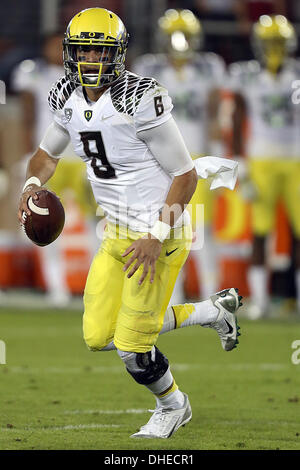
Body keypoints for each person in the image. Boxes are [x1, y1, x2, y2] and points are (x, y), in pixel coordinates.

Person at [18, 7, 242, 439]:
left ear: (117, 55)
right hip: (116, 231)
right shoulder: (67, 96)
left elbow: (185, 174)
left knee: (133, 346)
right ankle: (214, 311)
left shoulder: (139, 99)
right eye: (83, 50)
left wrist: (156, 237)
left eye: (100, 52)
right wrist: (31, 183)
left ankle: (173, 405)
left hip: (162, 229)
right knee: (98, 334)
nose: (90, 60)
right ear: (70, 52)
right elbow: (47, 155)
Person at [133, 9, 226, 303]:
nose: (180, 42)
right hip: (159, 159)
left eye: (185, 36)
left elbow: (213, 113)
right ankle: (173, 295)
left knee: (202, 228)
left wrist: (218, 151)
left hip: (196, 157)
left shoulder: (209, 68)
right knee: (165, 225)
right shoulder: (150, 68)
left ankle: (213, 296)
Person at [12, 32, 94, 306]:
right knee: (43, 224)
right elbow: (28, 114)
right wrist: (27, 152)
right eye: (53, 45)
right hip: (49, 159)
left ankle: (97, 287)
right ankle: (56, 288)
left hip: (83, 156)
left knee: (99, 223)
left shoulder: (88, 74)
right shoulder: (34, 72)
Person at [228, 14, 300, 318]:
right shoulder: (248, 76)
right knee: (260, 230)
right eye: (269, 42)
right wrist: (239, 162)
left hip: (295, 158)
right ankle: (259, 299)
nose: (273, 48)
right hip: (261, 159)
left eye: (278, 42)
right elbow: (236, 118)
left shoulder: (296, 76)